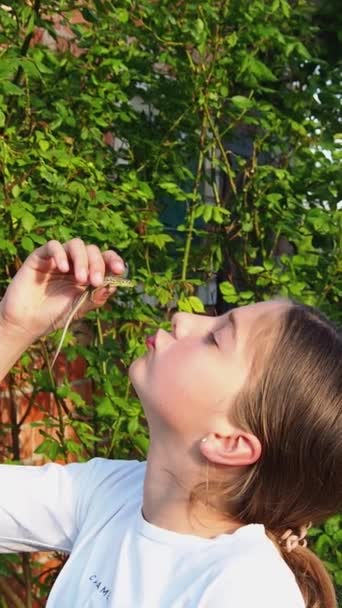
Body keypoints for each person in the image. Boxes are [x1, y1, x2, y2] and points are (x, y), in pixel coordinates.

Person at [0, 238, 341, 608]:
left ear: (229, 442)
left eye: (216, 338)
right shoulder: (114, 494)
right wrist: (14, 324)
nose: (183, 318)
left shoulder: (247, 590)